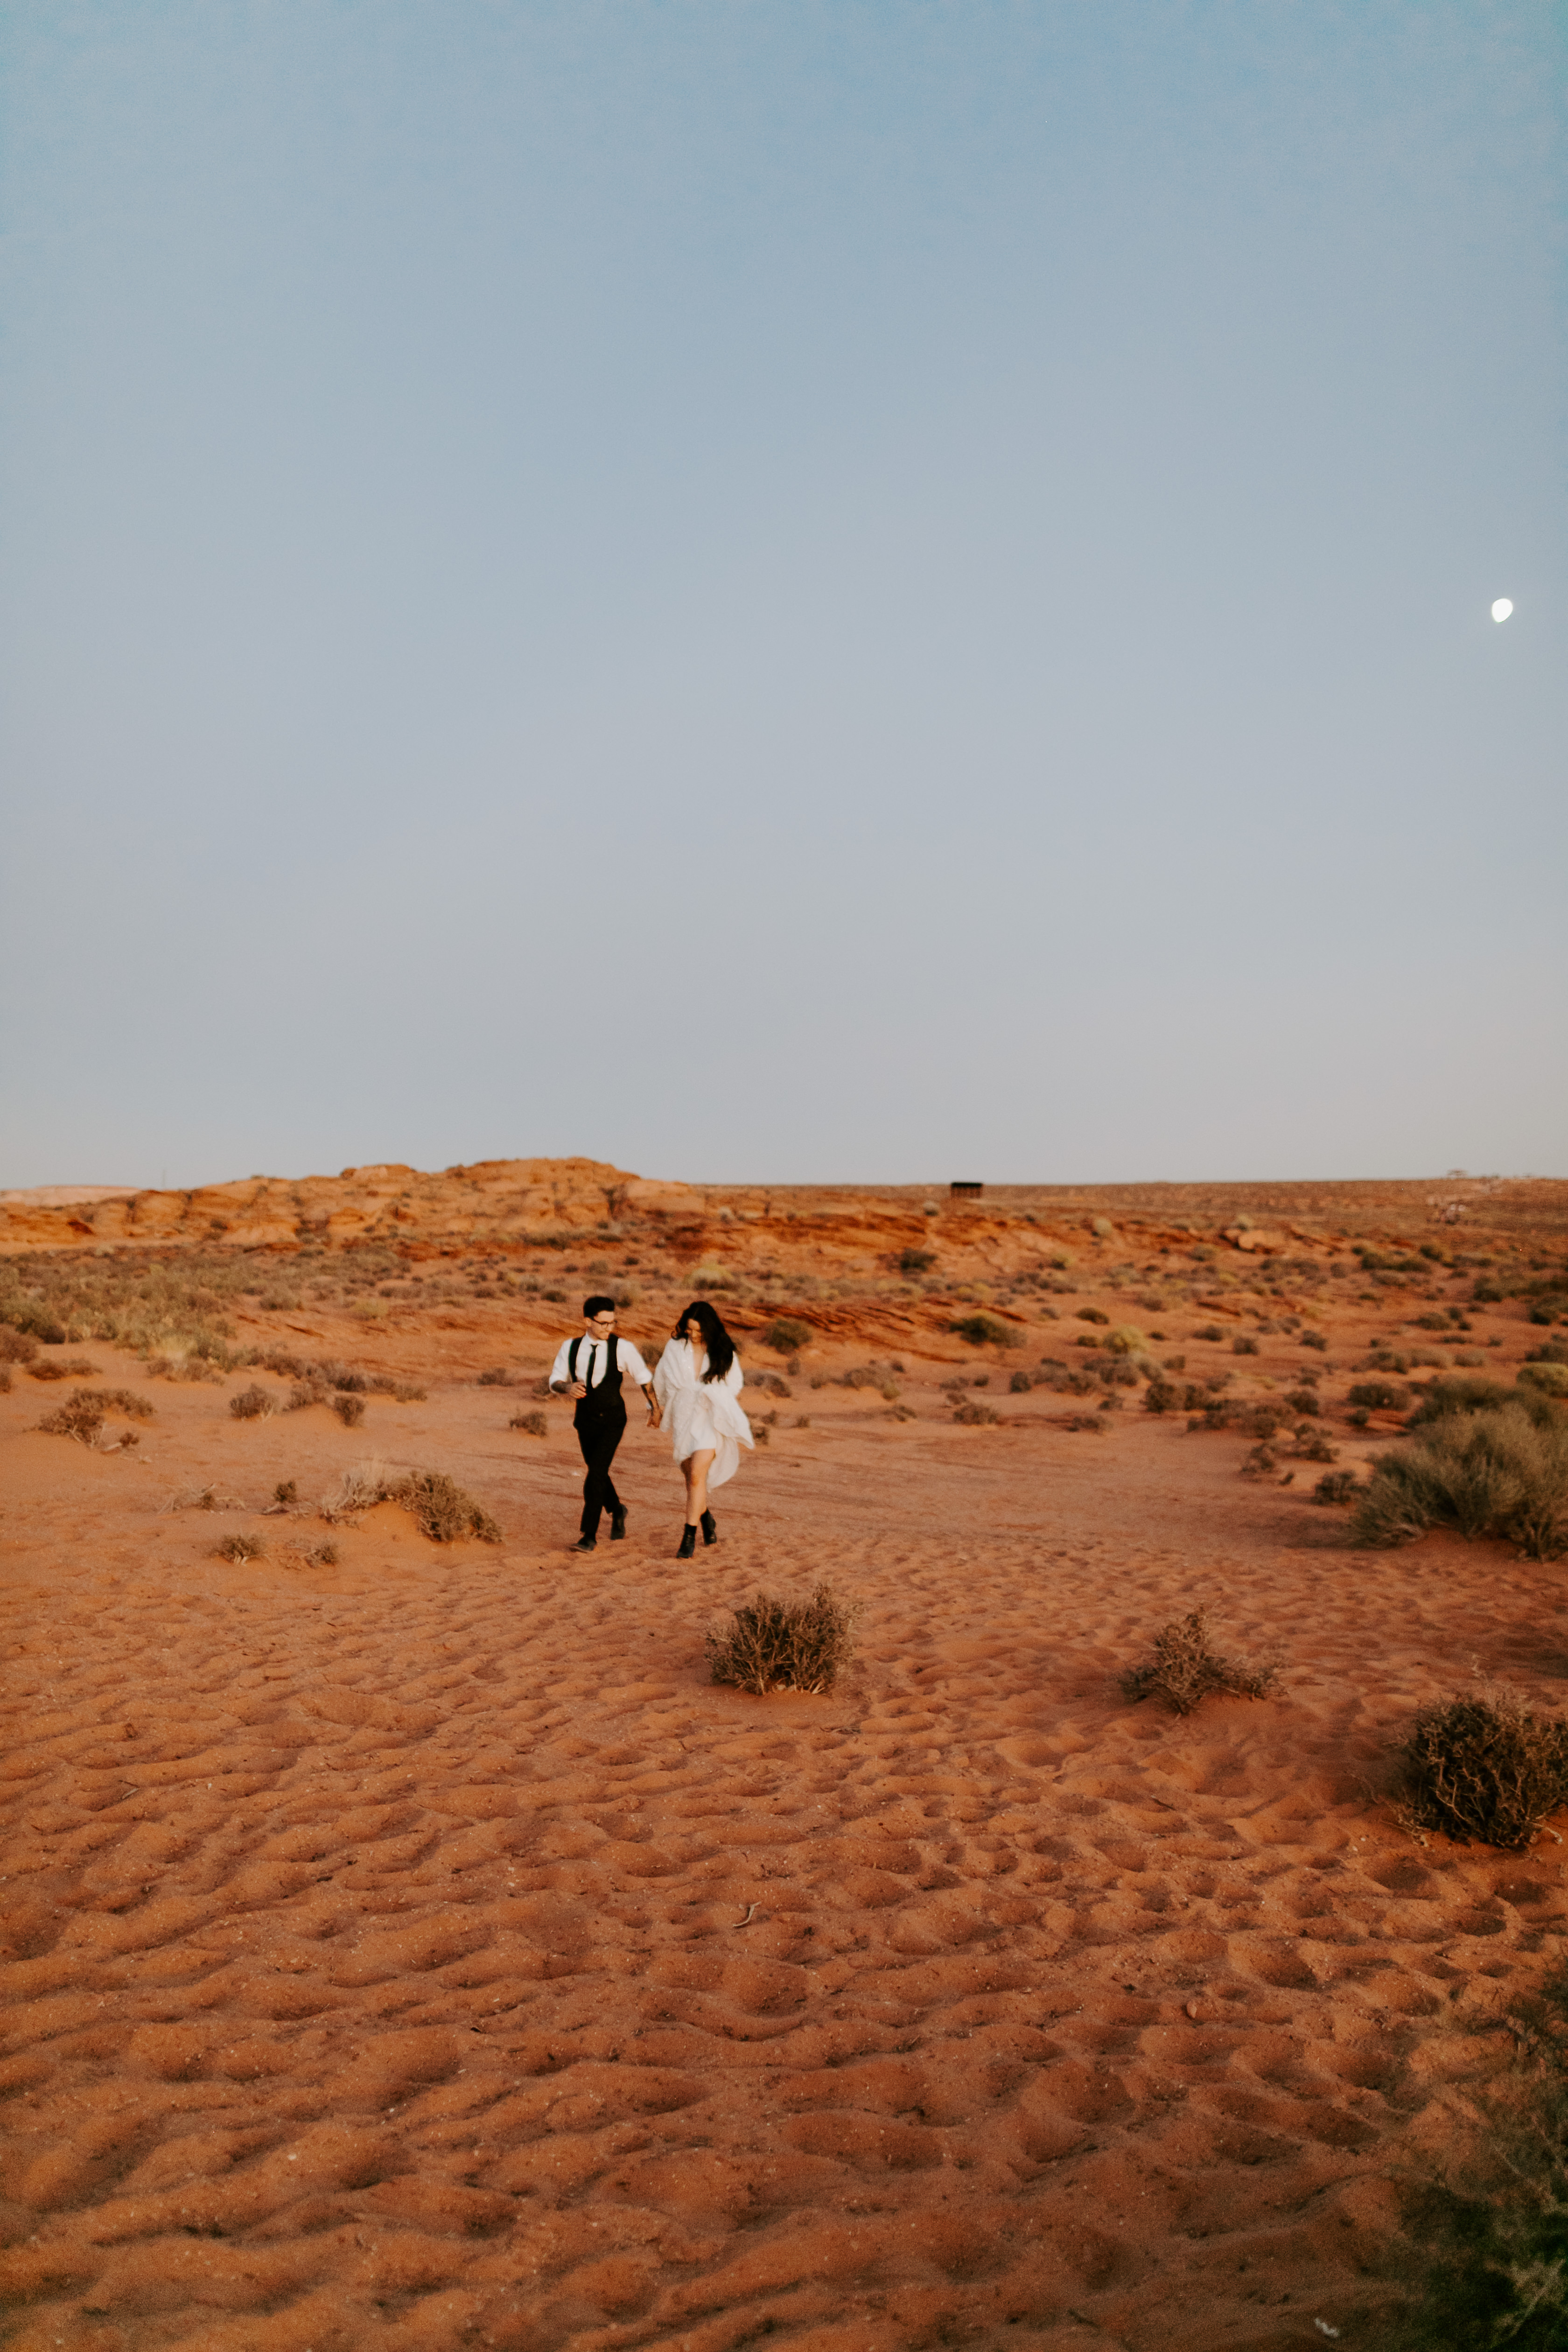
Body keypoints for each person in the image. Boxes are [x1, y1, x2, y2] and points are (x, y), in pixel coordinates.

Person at [547, 1296, 660, 1553]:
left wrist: (655, 1408)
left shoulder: (623, 1348)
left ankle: (589, 1535)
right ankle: (617, 1510)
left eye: (613, 1323)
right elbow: (554, 1380)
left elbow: (644, 1379)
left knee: (595, 1475)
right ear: (588, 1321)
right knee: (597, 1471)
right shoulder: (571, 1347)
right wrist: (567, 1387)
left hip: (613, 1420)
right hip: (584, 1420)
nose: (609, 1328)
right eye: (603, 1323)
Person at [652, 1298, 752, 1558]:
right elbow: (662, 1379)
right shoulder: (675, 1347)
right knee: (691, 1478)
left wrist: (714, 1395)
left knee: (697, 1474)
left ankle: (689, 1537)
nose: (693, 1335)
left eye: (698, 1330)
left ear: (709, 1328)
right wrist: (658, 1409)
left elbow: (735, 1385)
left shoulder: (723, 1349)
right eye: (690, 1329)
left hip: (710, 1416)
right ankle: (707, 1518)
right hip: (684, 1414)